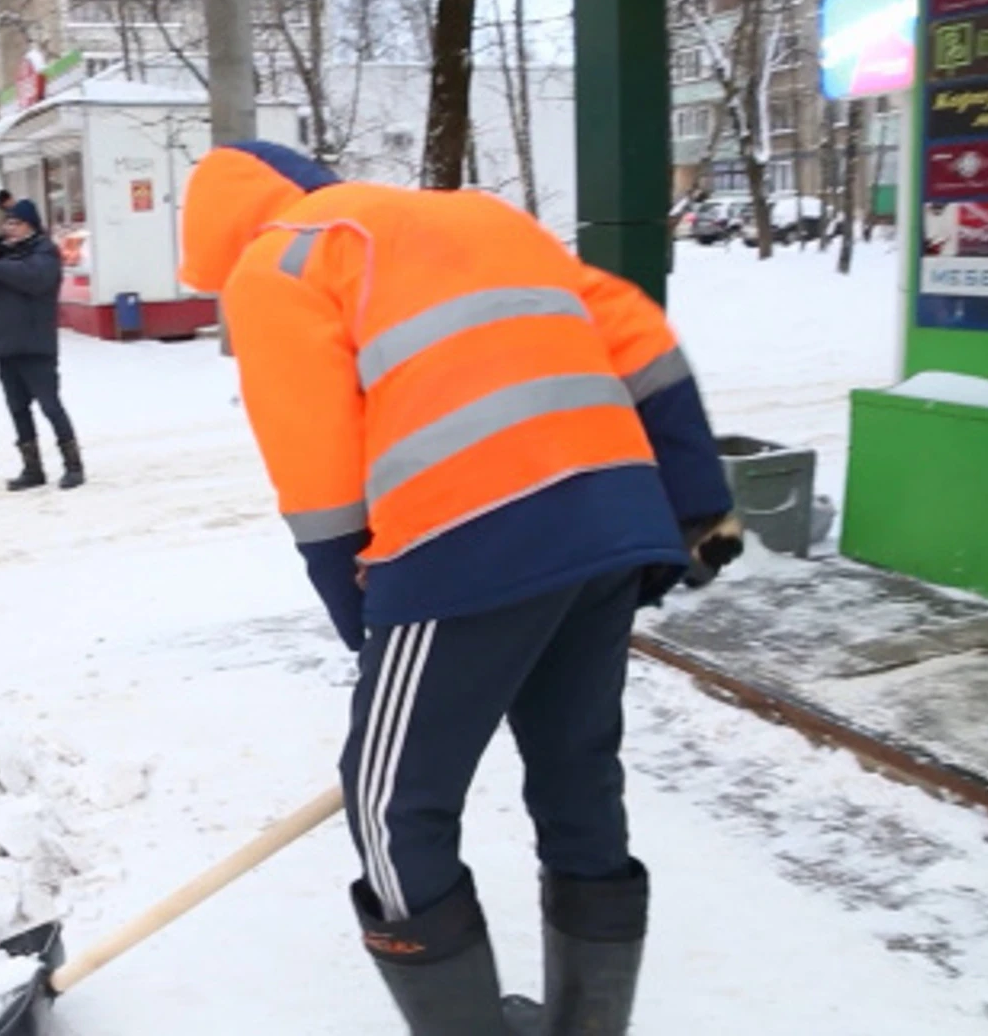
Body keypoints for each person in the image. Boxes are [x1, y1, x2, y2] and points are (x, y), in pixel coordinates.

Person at [177, 142, 742, 1035]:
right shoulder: (482, 216)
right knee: (575, 771)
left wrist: (365, 610)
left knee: (391, 804)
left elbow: (315, 465)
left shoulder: (277, 259)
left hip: (461, 537)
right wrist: (697, 502)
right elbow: (639, 339)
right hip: (610, 523)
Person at [0, 198, 84, 491]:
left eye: (15, 223)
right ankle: (32, 468)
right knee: (17, 408)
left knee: (50, 406)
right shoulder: (3, 256)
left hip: (36, 345)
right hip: (6, 344)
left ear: (30, 225)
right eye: (7, 223)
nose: (9, 229)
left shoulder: (45, 252)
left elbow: (33, 280)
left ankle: (73, 465)